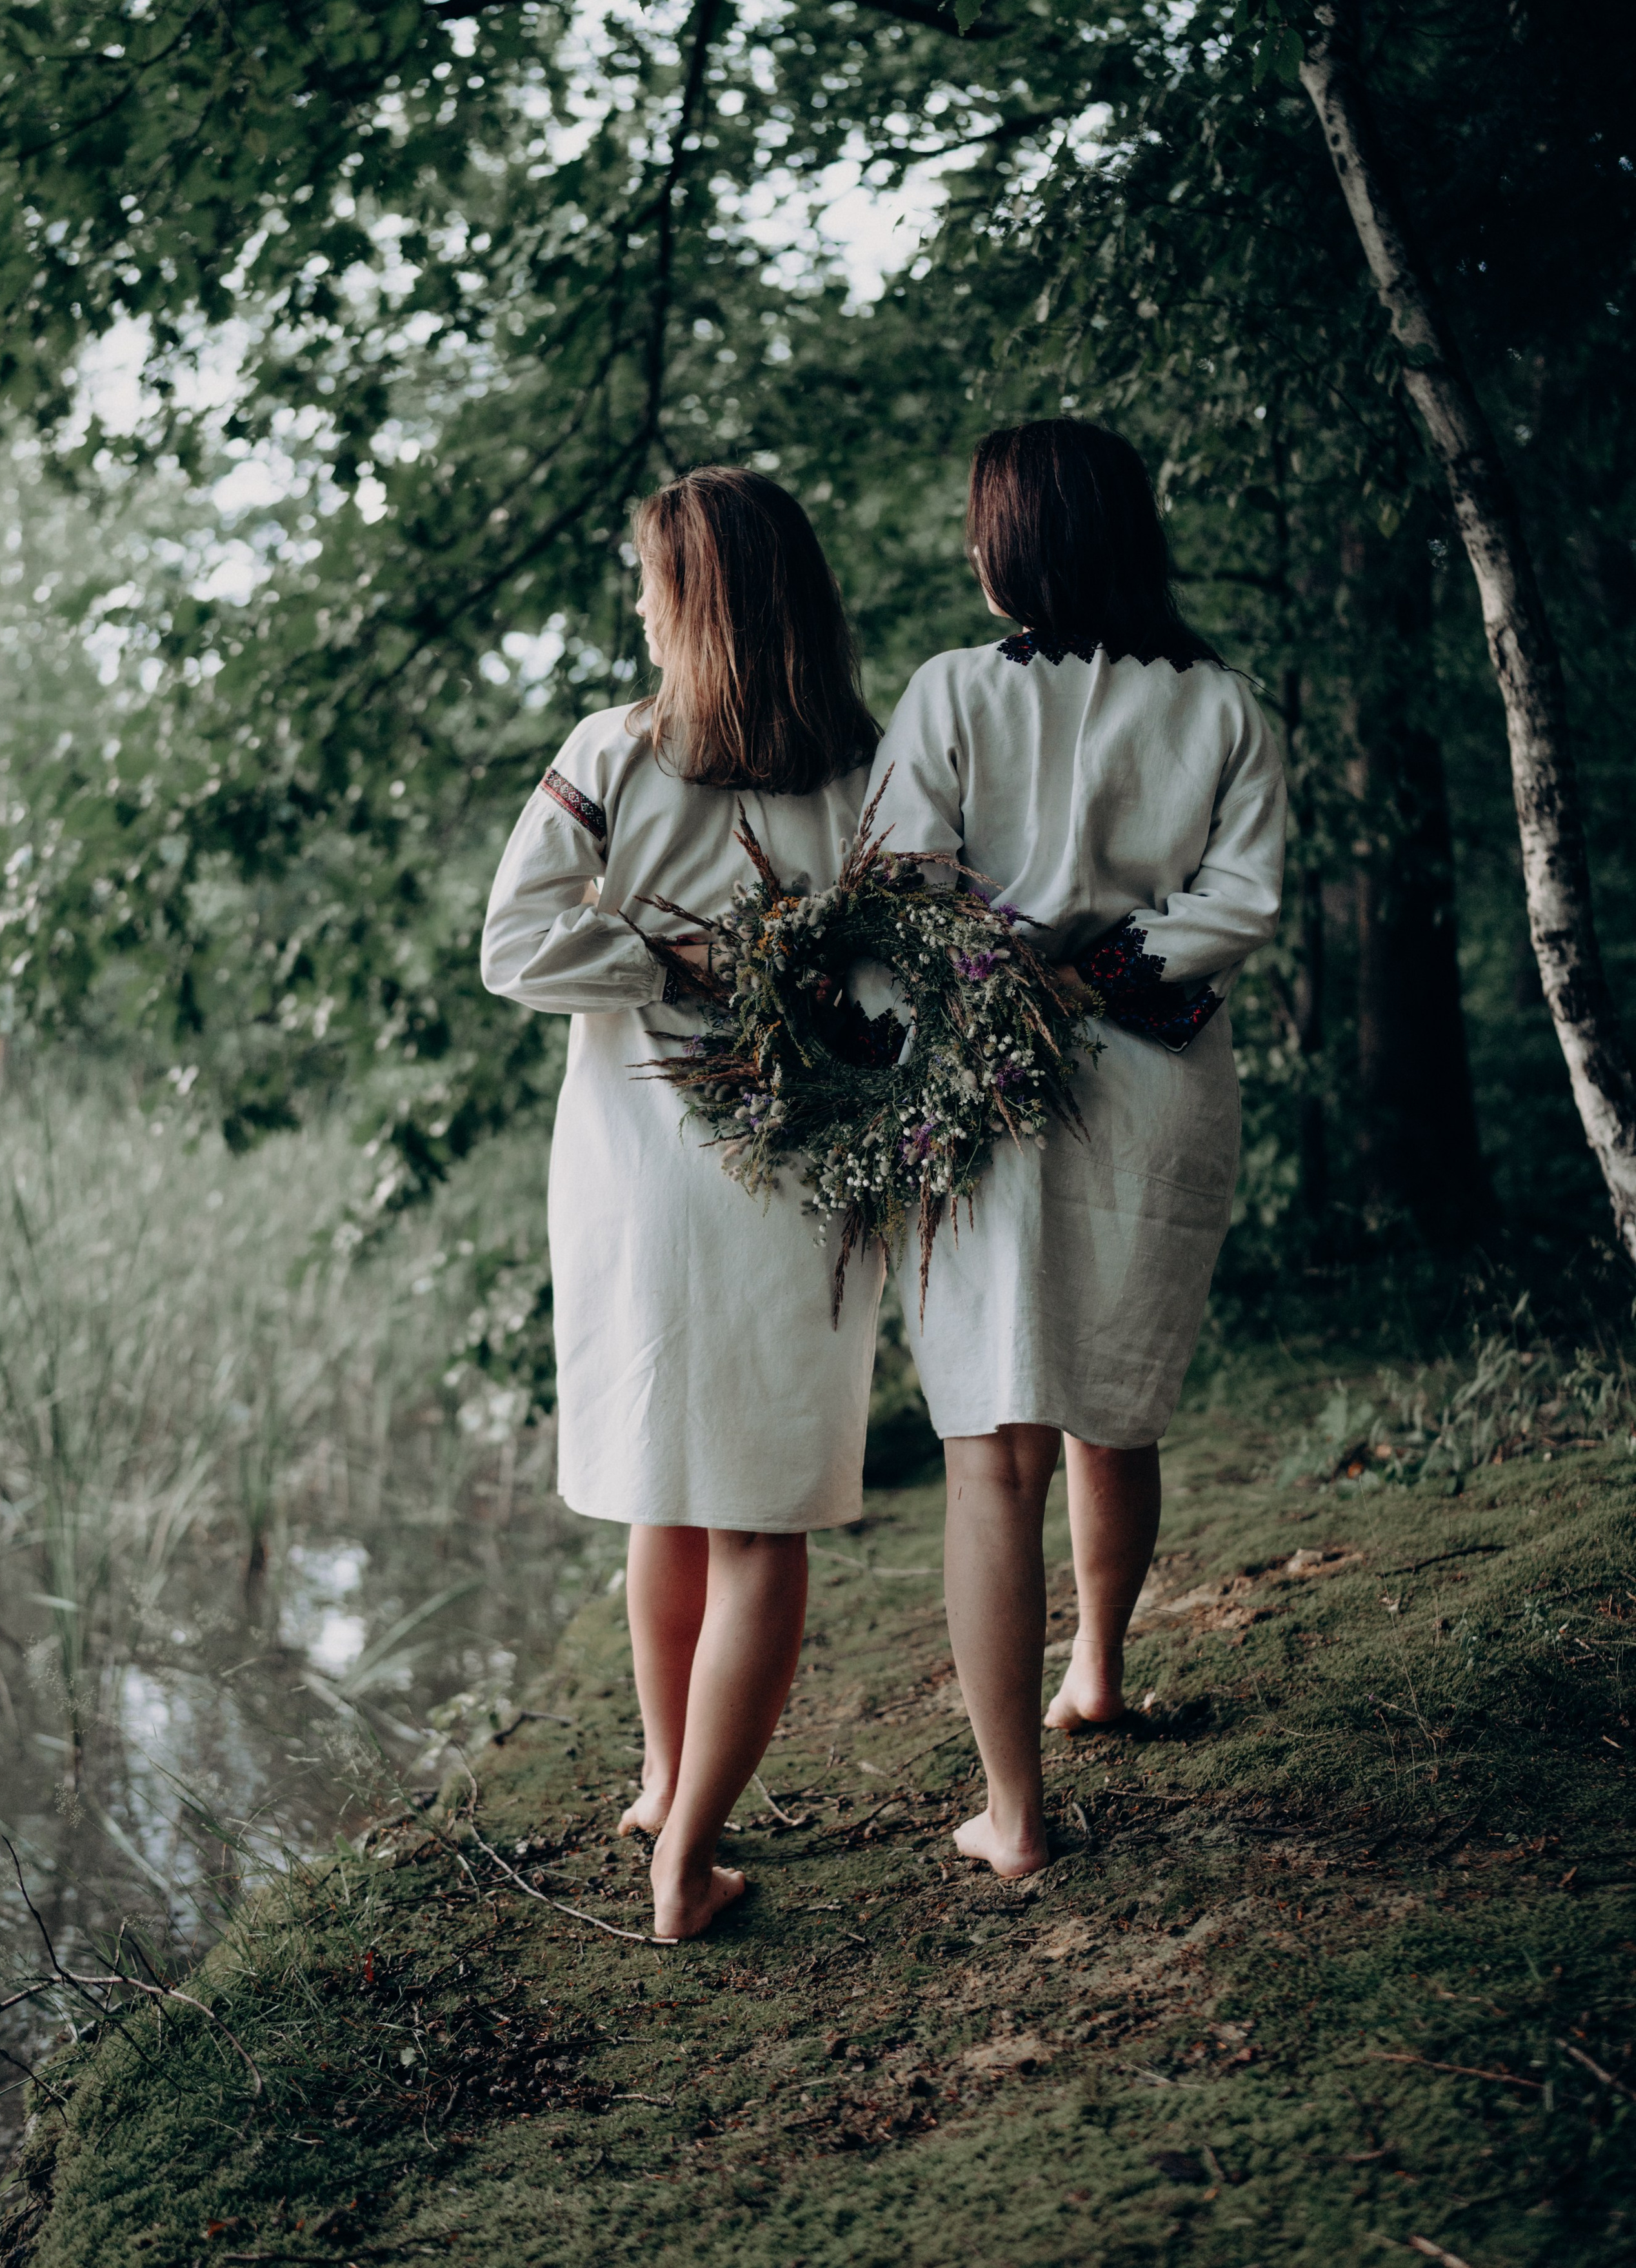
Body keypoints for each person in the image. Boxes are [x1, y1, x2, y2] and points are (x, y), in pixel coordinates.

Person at [868, 417, 1287, 1878]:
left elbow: (896, 896)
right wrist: (1108, 962)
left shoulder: (949, 693)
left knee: (995, 1451)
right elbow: (1238, 908)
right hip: (1158, 1081)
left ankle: (1015, 1810)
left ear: (1010, 545)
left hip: (992, 1093)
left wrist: (1002, 971)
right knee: (1118, 1402)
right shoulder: (1224, 703)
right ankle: (1096, 1666)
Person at [481, 467, 884, 1940]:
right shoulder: (868, 765)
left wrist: (654, 963)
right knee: (750, 1510)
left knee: (673, 1481)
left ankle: (677, 1819)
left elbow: (517, 943)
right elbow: (904, 975)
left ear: (695, 599)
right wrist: (759, 982)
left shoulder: (617, 751)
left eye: (651, 580)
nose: (638, 604)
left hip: (646, 1168)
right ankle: (680, 1823)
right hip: (789, 1169)